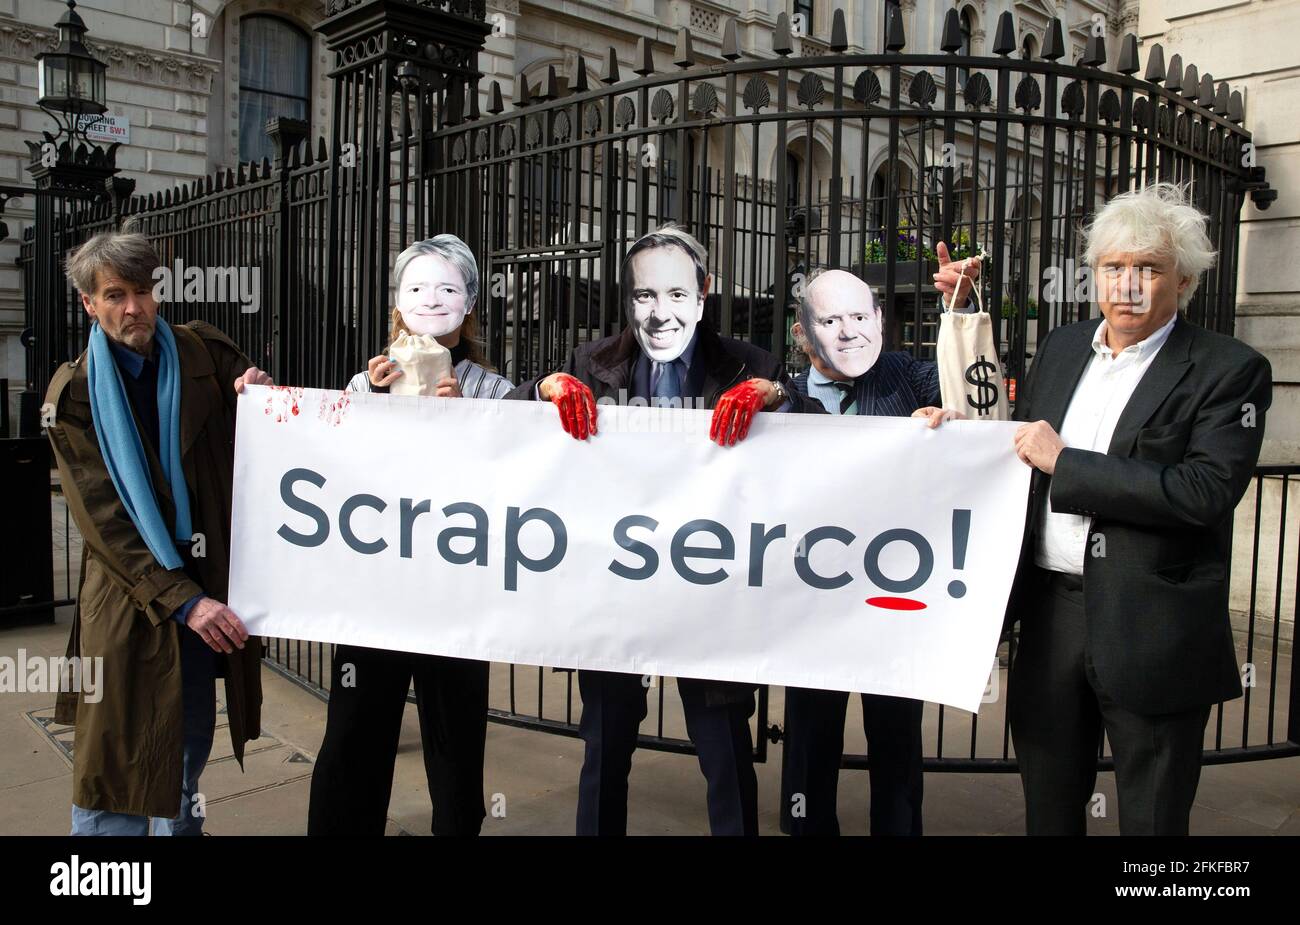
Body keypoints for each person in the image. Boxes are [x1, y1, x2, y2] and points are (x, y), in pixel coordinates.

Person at [508, 223, 822, 835]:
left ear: (703, 294)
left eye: (676, 295)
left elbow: (816, 430)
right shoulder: (591, 362)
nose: (659, 313)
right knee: (604, 742)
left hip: (709, 593)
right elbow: (509, 430)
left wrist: (777, 395)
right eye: (645, 295)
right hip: (615, 591)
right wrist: (542, 388)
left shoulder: (747, 365)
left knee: (724, 747)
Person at [1006, 181, 1271, 835]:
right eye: (1113, 267)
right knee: (1049, 813)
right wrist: (954, 430)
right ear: (1093, 274)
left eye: (1147, 268)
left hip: (1153, 626)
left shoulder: (1229, 369)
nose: (1127, 285)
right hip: (1050, 620)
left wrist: (1067, 464)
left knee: (1153, 823)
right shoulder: (1064, 347)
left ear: (1183, 282)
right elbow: (1019, 449)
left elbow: (1202, 490)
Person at [44, 231, 270, 835]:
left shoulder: (203, 354)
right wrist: (186, 603)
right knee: (113, 774)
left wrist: (259, 397)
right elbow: (105, 526)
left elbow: (262, 424)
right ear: (90, 304)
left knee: (185, 765)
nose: (133, 308)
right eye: (115, 295)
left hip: (202, 594)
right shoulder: (73, 396)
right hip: (129, 606)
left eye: (143, 291)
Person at [308, 234, 513, 836]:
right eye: (417, 288)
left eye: (448, 289)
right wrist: (366, 400)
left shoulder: (495, 393)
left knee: (455, 739)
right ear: (397, 302)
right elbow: (325, 463)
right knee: (354, 731)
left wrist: (469, 426)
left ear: (469, 304)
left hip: (455, 594)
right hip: (376, 594)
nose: (431, 300)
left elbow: (513, 486)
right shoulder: (361, 384)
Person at [780, 243, 980, 836]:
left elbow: (977, 401)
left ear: (880, 323)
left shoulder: (911, 376)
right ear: (802, 332)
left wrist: (961, 321)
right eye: (831, 319)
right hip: (810, 606)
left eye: (861, 315)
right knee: (810, 741)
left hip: (894, 603)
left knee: (896, 740)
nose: (849, 330)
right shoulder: (779, 395)